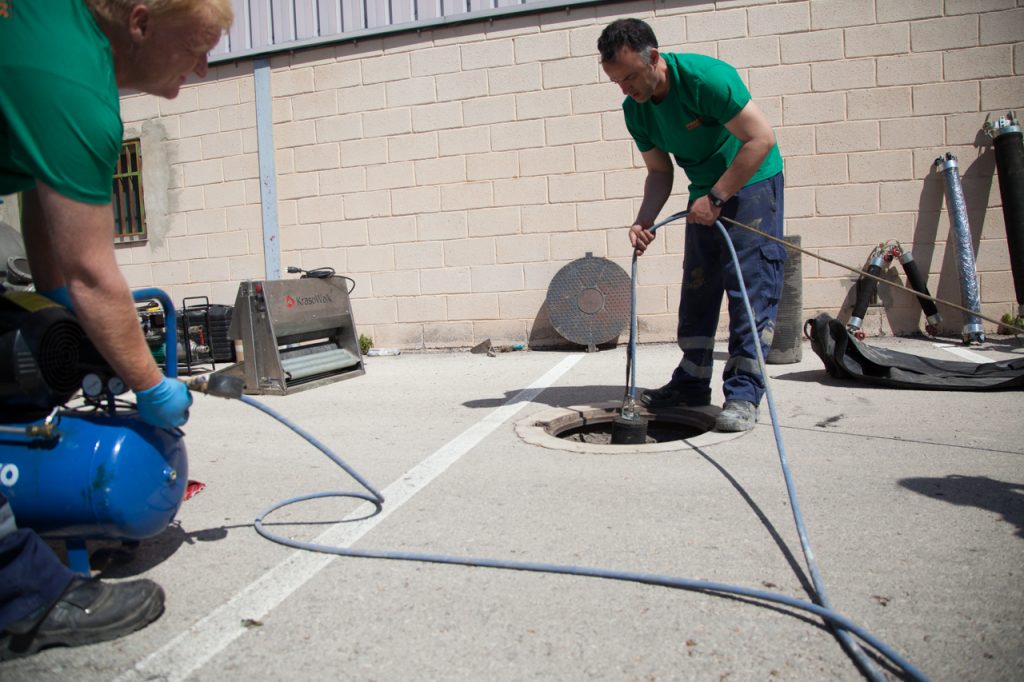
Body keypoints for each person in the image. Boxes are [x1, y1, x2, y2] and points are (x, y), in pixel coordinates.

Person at [0, 0, 233, 659]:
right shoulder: (72, 81)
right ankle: (24, 599)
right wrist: (152, 384)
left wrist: (86, 347)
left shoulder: (50, 32)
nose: (206, 69)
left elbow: (51, 267)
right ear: (140, 21)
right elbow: (87, 275)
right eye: (196, 47)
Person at [598, 18, 786, 432]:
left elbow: (761, 139)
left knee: (749, 288)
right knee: (699, 286)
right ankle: (692, 383)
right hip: (704, 194)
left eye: (630, 76)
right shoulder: (636, 111)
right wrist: (643, 219)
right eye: (616, 81)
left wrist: (718, 196)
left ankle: (743, 395)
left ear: (655, 58)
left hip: (752, 183)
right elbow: (659, 173)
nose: (625, 88)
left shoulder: (706, 79)